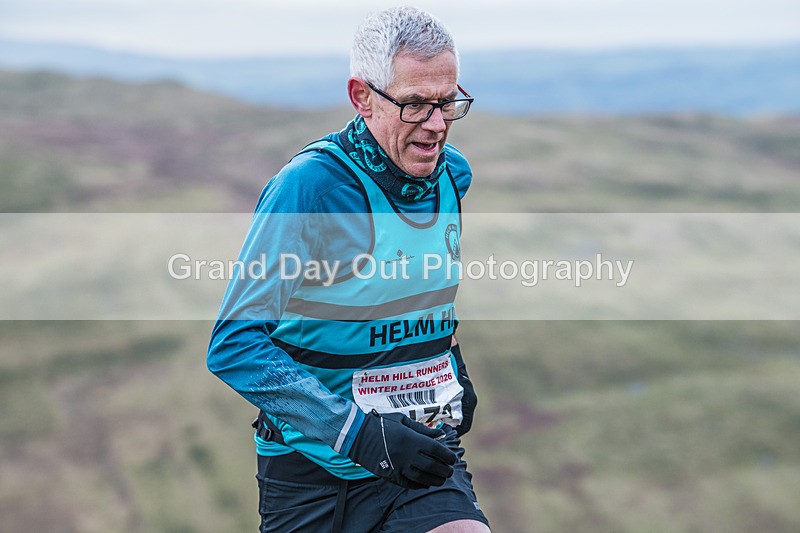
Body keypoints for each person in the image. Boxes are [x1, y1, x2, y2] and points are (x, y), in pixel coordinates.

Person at [207, 6, 489, 532]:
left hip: (421, 460)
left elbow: (421, 292)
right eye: (414, 105)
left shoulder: (452, 176)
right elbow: (234, 345)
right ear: (362, 96)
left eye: (448, 103)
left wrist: (456, 370)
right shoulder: (310, 190)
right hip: (312, 478)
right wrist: (359, 435)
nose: (436, 126)